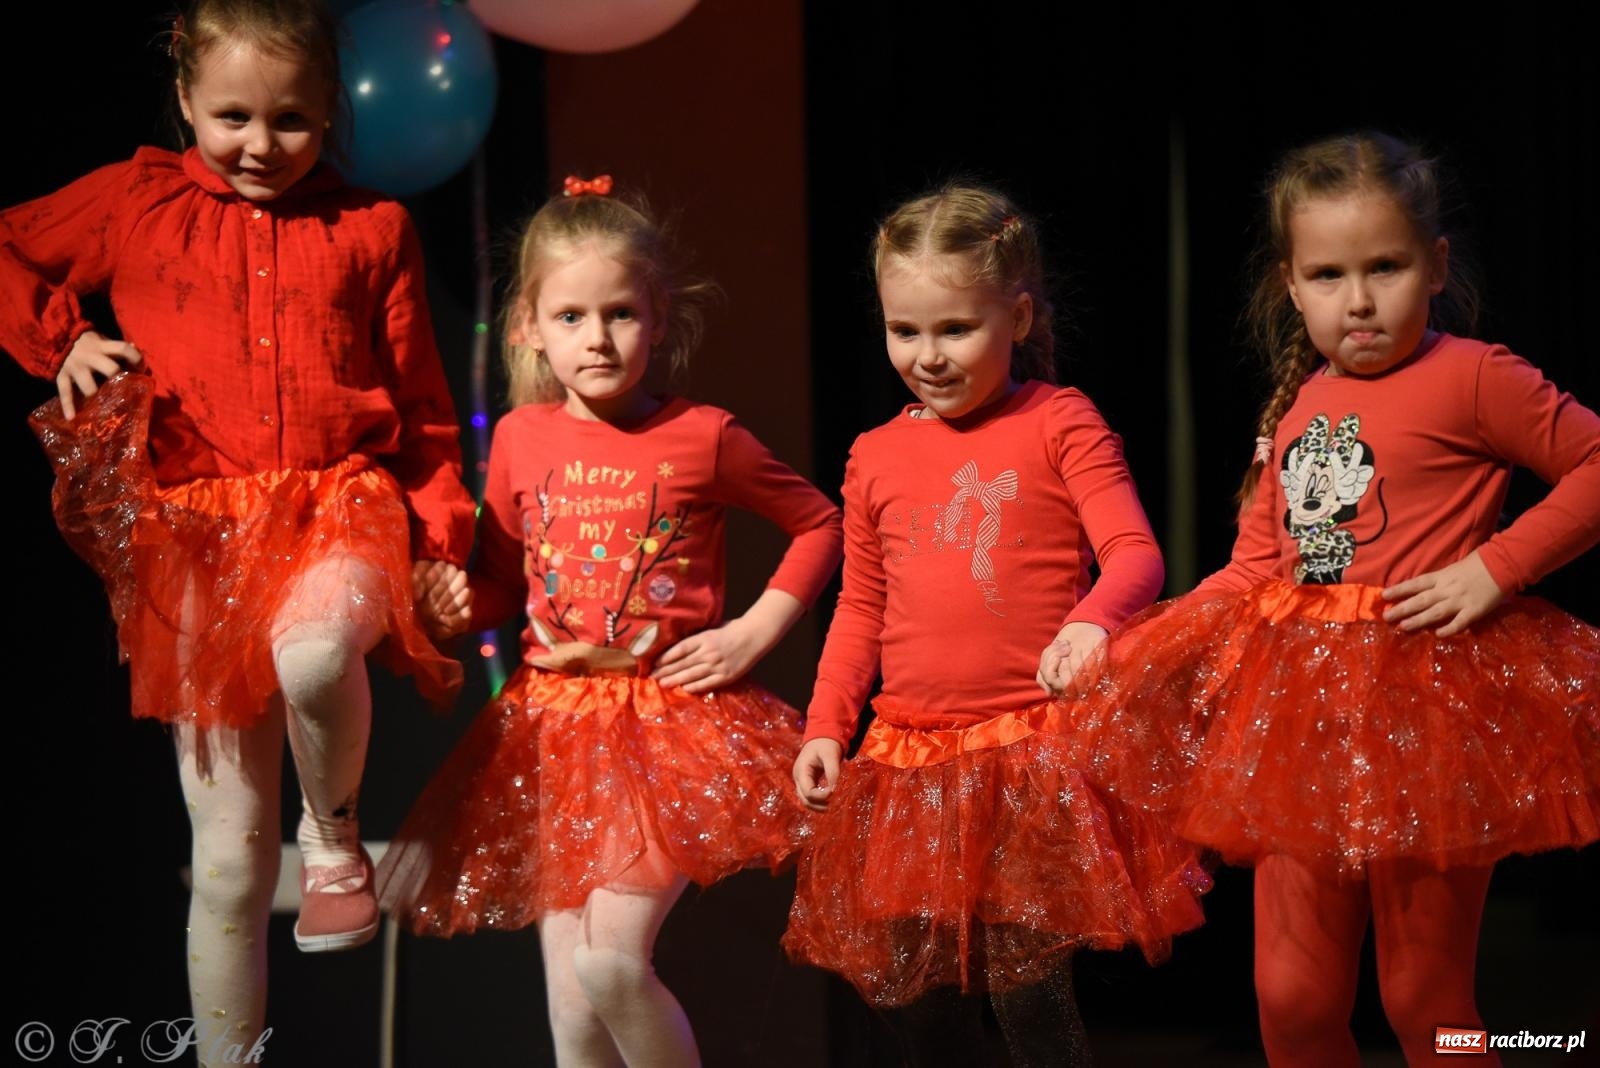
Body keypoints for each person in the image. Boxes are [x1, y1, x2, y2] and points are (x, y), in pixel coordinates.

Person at [0, 0, 474, 1052]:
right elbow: (14, 248)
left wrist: (441, 542)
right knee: (223, 860)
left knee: (313, 658)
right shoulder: (136, 201)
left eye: (293, 121)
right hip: (199, 540)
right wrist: (63, 341)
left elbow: (428, 413)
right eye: (233, 117)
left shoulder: (372, 229)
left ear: (331, 113)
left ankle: (336, 840)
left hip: (334, 506)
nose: (262, 145)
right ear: (183, 100)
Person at [1067, 131, 1600, 1066]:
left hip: (1428, 718)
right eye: (1328, 275)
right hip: (1303, 728)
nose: (1358, 299)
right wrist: (1127, 648)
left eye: (1386, 266)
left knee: (1424, 998)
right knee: (1292, 996)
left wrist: (1496, 567)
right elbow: (1257, 569)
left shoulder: (1476, 375)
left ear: (1435, 266)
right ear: (1291, 284)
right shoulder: (1299, 404)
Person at [379, 177, 843, 1067]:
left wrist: (752, 631)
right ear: (530, 323)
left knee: (610, 962)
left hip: (668, 726)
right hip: (556, 728)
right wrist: (449, 602)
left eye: (621, 314)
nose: (597, 338)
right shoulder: (519, 436)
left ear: (660, 318)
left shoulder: (702, 434)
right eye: (572, 317)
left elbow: (822, 524)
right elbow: (504, 584)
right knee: (569, 997)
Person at [784, 183, 1209, 1068]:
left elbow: (1134, 553)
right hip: (912, 763)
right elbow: (860, 606)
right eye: (906, 331)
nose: (927, 356)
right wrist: (828, 725)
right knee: (923, 1004)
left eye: (955, 330)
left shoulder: (1059, 421)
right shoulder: (876, 454)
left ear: (1016, 317)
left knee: (1030, 998)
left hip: (1026, 757)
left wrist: (1093, 624)